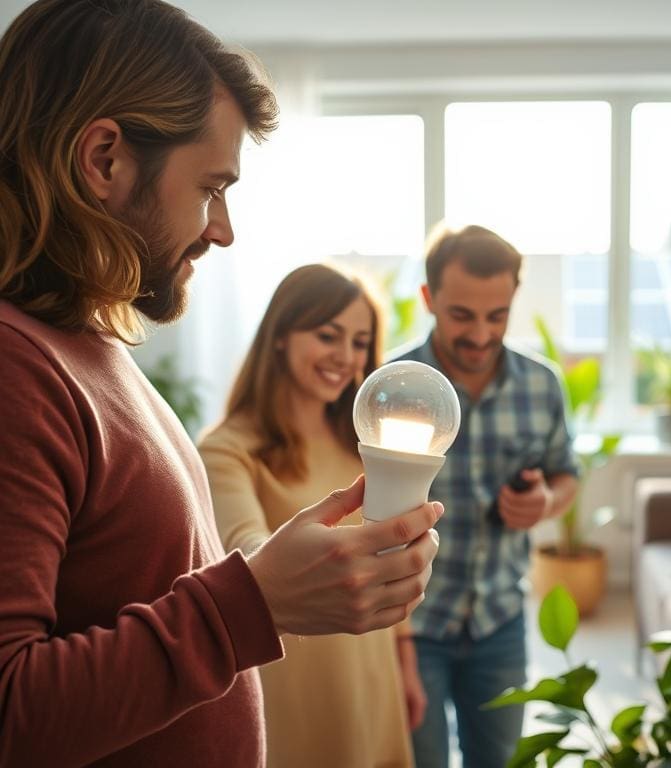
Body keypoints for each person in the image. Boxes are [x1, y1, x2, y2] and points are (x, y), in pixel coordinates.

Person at [0, 2, 440, 766]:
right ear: (104, 159)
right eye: (211, 187)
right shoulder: (14, 370)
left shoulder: (83, 350)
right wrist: (256, 601)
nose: (222, 228)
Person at [198, 264, 424, 768]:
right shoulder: (228, 451)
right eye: (328, 335)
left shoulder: (364, 443)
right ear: (280, 336)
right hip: (293, 681)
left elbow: (392, 557)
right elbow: (250, 554)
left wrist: (407, 663)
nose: (346, 357)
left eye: (360, 342)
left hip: (371, 668)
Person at [393, 224, 580, 768]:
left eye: (496, 316)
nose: (480, 333)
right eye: (461, 315)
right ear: (429, 299)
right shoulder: (392, 385)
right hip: (414, 623)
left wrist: (545, 502)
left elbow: (567, 475)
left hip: (500, 618)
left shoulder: (543, 385)